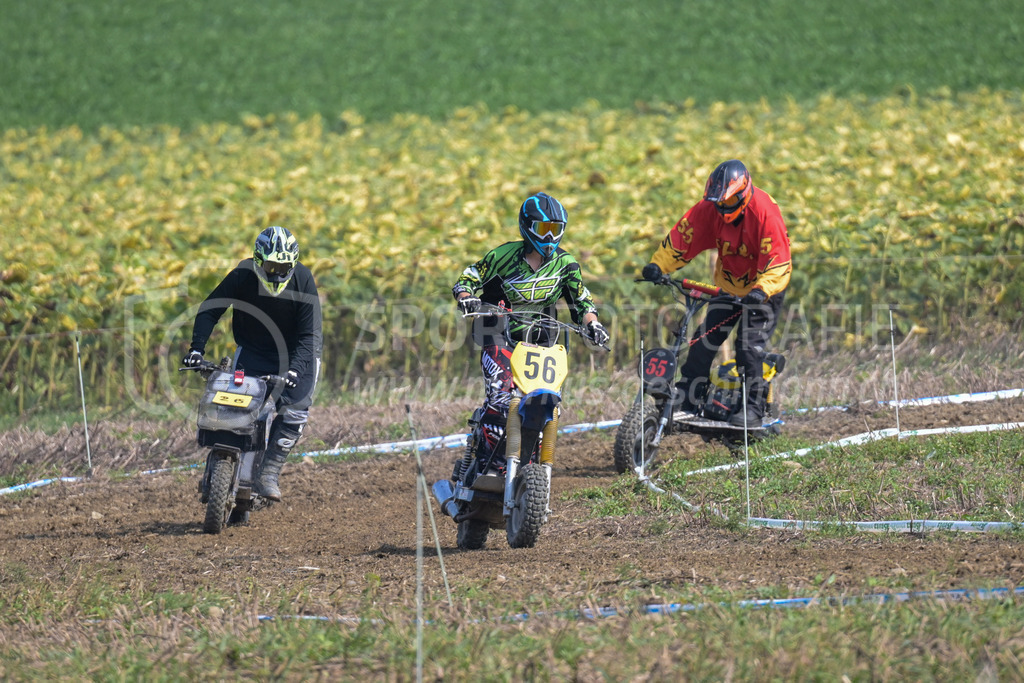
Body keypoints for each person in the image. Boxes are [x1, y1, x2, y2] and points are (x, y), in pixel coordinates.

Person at [452, 192, 609, 468]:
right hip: (499, 331)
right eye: (543, 230)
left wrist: (593, 324)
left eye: (555, 230)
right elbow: (469, 277)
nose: (549, 238)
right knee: (503, 397)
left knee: (546, 400)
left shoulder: (566, 264)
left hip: (542, 336)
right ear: (527, 227)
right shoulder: (503, 256)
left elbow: (582, 302)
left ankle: (532, 460)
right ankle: (490, 459)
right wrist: (466, 297)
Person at [640, 160, 791, 427]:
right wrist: (657, 266)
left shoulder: (765, 213)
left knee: (748, 348)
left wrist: (762, 290)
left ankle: (753, 409)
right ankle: (689, 397)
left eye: (727, 203)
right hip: (728, 287)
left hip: (763, 291)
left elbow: (779, 261)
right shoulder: (711, 208)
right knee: (702, 341)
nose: (721, 209)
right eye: (717, 203)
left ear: (742, 196)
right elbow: (682, 237)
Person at [182, 226, 323, 501]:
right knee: (238, 407)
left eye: (284, 266)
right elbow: (210, 309)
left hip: (298, 354)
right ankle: (232, 471)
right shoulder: (243, 275)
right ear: (258, 261)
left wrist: (294, 369)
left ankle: (269, 472)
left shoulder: (304, 280)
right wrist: (196, 350)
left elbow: (310, 335)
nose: (277, 273)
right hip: (255, 350)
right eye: (271, 265)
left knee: (293, 410)